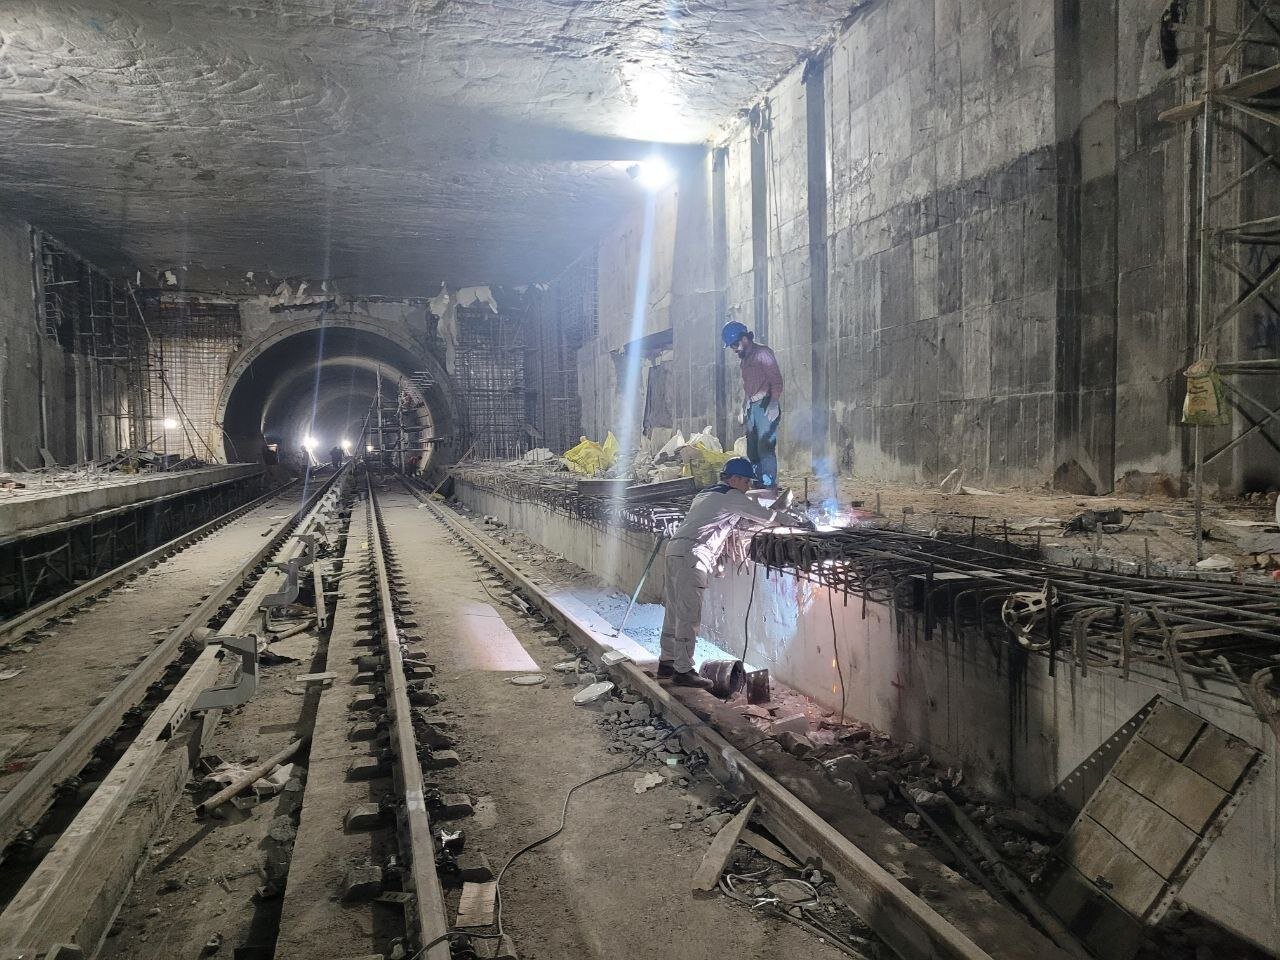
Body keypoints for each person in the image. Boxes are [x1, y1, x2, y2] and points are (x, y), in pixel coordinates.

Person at [657, 457, 781, 689]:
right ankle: (683, 671)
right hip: (693, 555)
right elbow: (766, 517)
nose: (747, 487)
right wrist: (796, 521)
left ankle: (667, 662)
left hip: (675, 551)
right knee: (688, 614)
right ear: (734, 479)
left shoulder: (704, 494)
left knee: (673, 610)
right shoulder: (732, 497)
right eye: (745, 482)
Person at [721, 320, 783, 489]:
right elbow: (748, 387)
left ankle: (768, 484)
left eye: (735, 345)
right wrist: (744, 406)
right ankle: (757, 481)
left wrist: (773, 403)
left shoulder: (763, 353)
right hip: (752, 407)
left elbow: (776, 381)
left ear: (745, 338)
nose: (734, 349)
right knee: (753, 450)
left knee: (765, 448)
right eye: (732, 346)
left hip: (765, 405)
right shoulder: (744, 361)